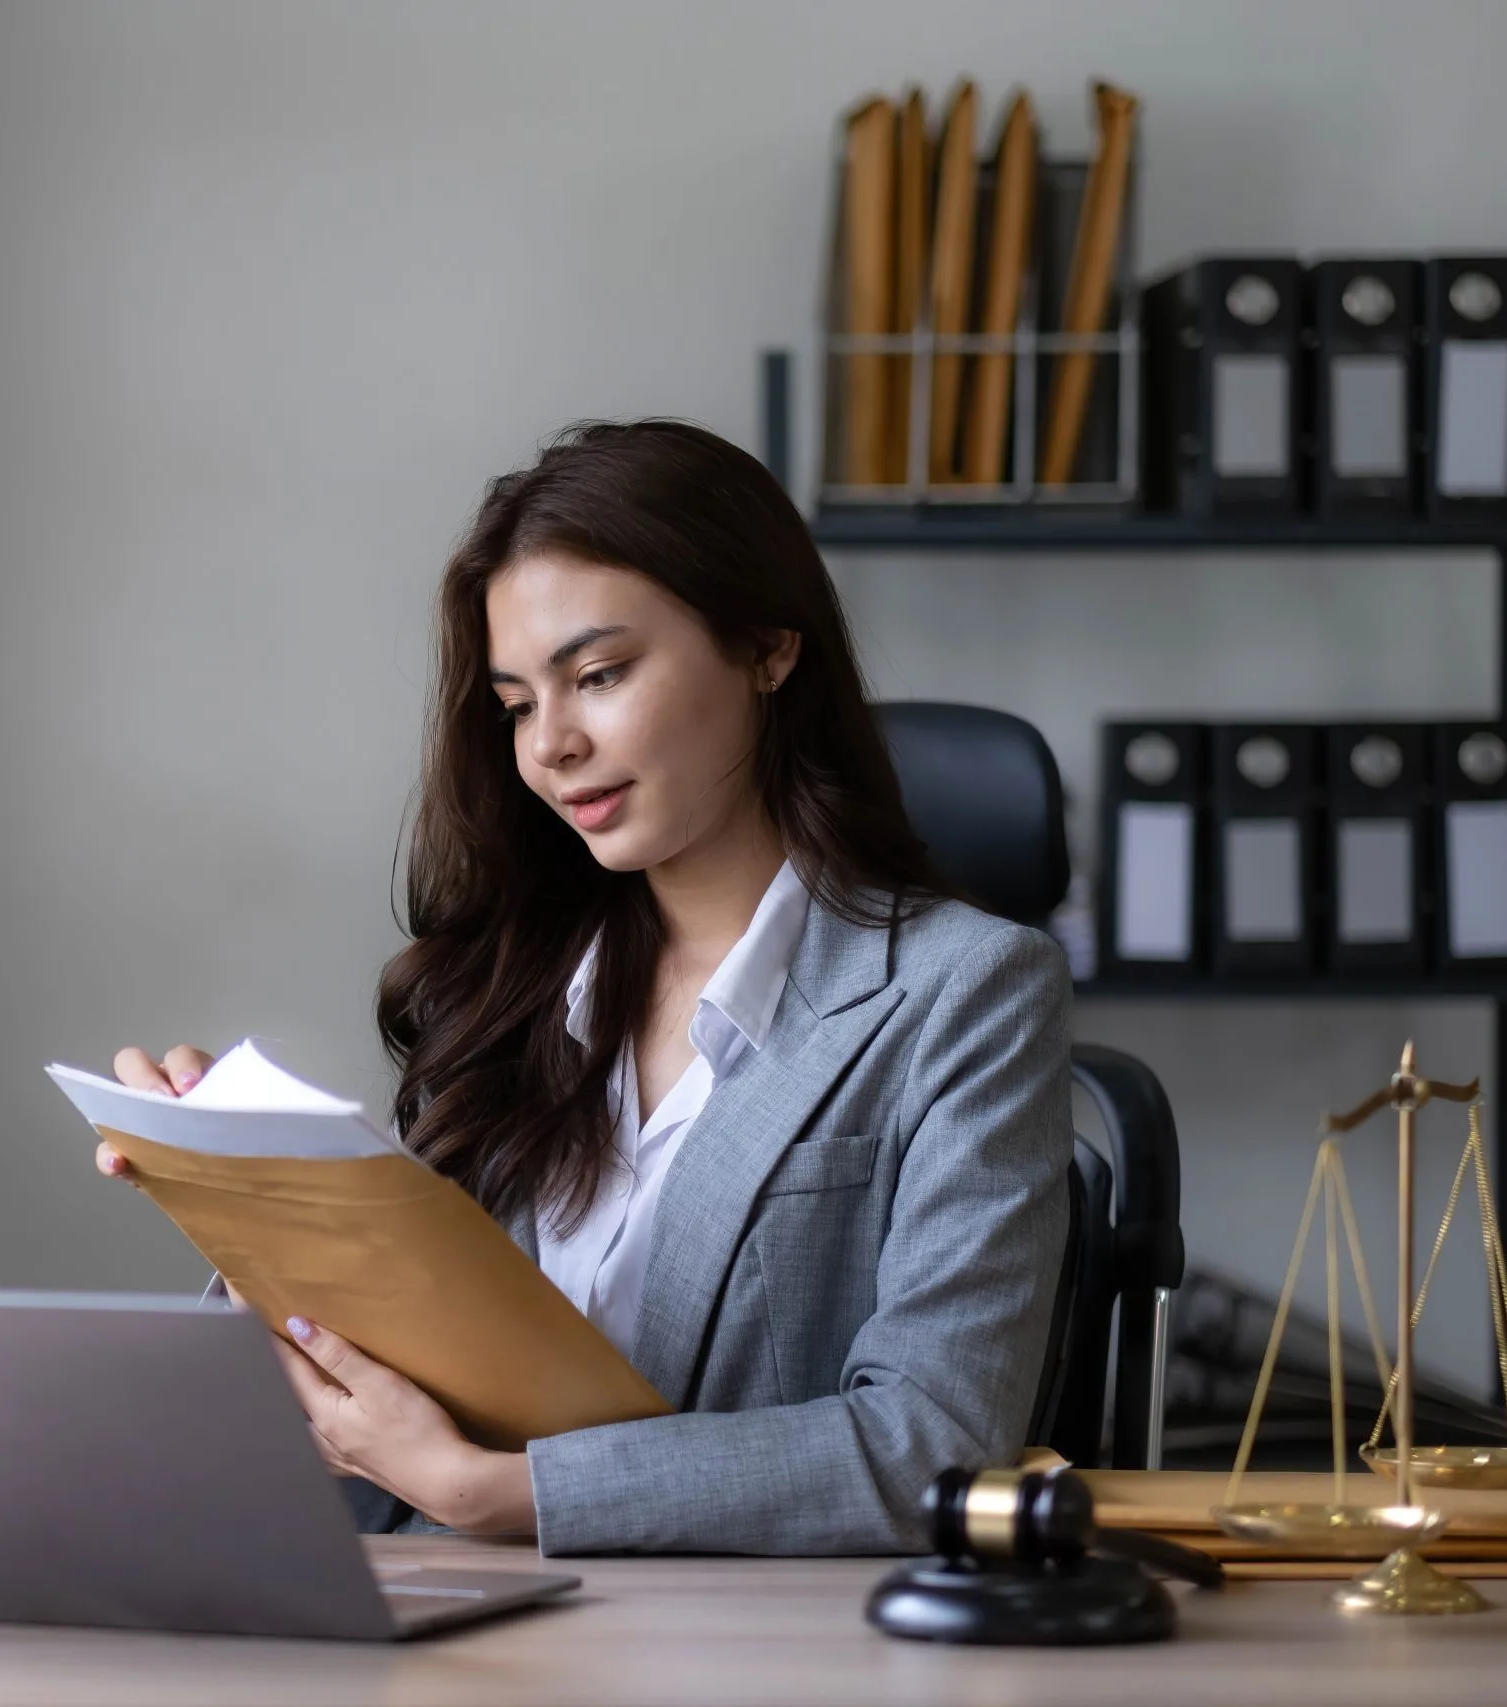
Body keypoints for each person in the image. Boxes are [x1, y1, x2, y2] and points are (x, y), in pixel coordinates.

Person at [98, 420, 1069, 1556]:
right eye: (516, 704)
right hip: (459, 1621)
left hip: (746, 1655)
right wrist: (261, 1215)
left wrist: (503, 1496)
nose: (549, 746)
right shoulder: (515, 988)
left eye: (598, 676)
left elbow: (932, 1441)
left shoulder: (967, 991)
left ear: (765, 647)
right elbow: (418, 1413)